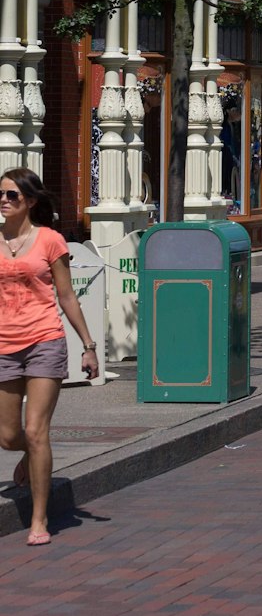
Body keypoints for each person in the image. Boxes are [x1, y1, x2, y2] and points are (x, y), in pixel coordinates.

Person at [0, 169, 100, 546]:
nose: (4, 200)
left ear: (30, 201)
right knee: (9, 436)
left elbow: (67, 296)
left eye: (12, 195)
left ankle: (39, 520)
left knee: (36, 430)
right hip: (3, 345)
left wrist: (88, 346)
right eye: (1, 194)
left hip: (44, 340)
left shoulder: (50, 241)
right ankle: (30, 455)